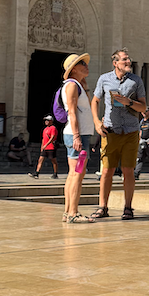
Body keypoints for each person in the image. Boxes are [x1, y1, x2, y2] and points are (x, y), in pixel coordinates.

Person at [89, 48, 146, 221]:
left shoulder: (136, 81)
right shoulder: (104, 79)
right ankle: (103, 207)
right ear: (115, 63)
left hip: (130, 131)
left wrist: (129, 102)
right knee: (107, 171)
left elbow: (143, 107)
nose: (128, 62)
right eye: (124, 60)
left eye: (128, 59)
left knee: (128, 170)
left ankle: (128, 208)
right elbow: (95, 101)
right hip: (110, 130)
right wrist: (97, 123)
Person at [60, 52, 93, 223]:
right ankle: (73, 212)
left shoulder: (77, 85)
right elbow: (72, 112)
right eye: (82, 64)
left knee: (74, 173)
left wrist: (85, 85)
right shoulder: (72, 85)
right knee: (77, 173)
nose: (86, 66)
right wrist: (77, 137)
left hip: (80, 136)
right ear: (73, 69)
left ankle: (68, 212)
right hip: (77, 137)